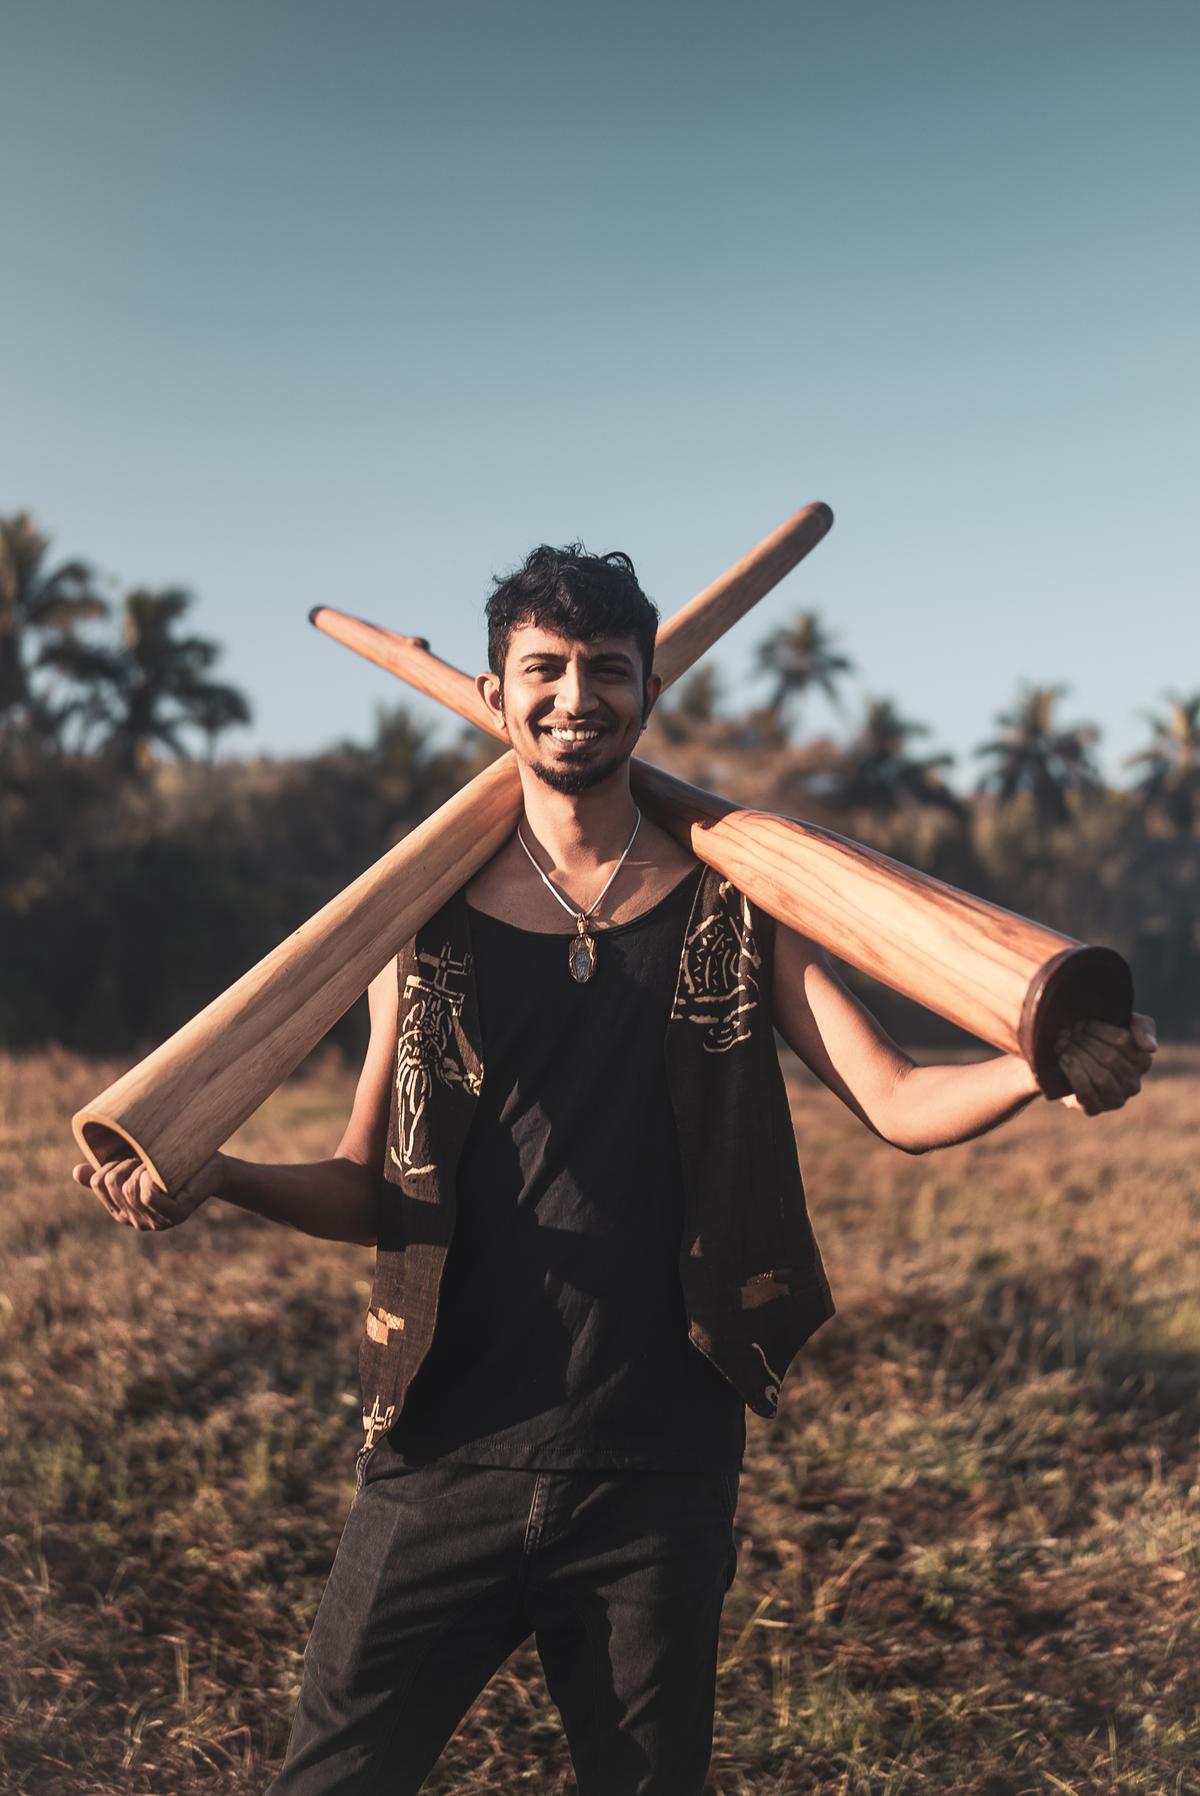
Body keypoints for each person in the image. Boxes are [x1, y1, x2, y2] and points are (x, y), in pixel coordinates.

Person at [73, 544, 1157, 1795]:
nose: (573, 695)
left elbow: (899, 1098)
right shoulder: (411, 923)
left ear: (650, 689)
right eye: (542, 669)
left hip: (657, 1461)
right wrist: (225, 1178)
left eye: (605, 668)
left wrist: (1042, 1063)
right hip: (441, 1451)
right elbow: (374, 1184)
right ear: (493, 693)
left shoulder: (743, 899)